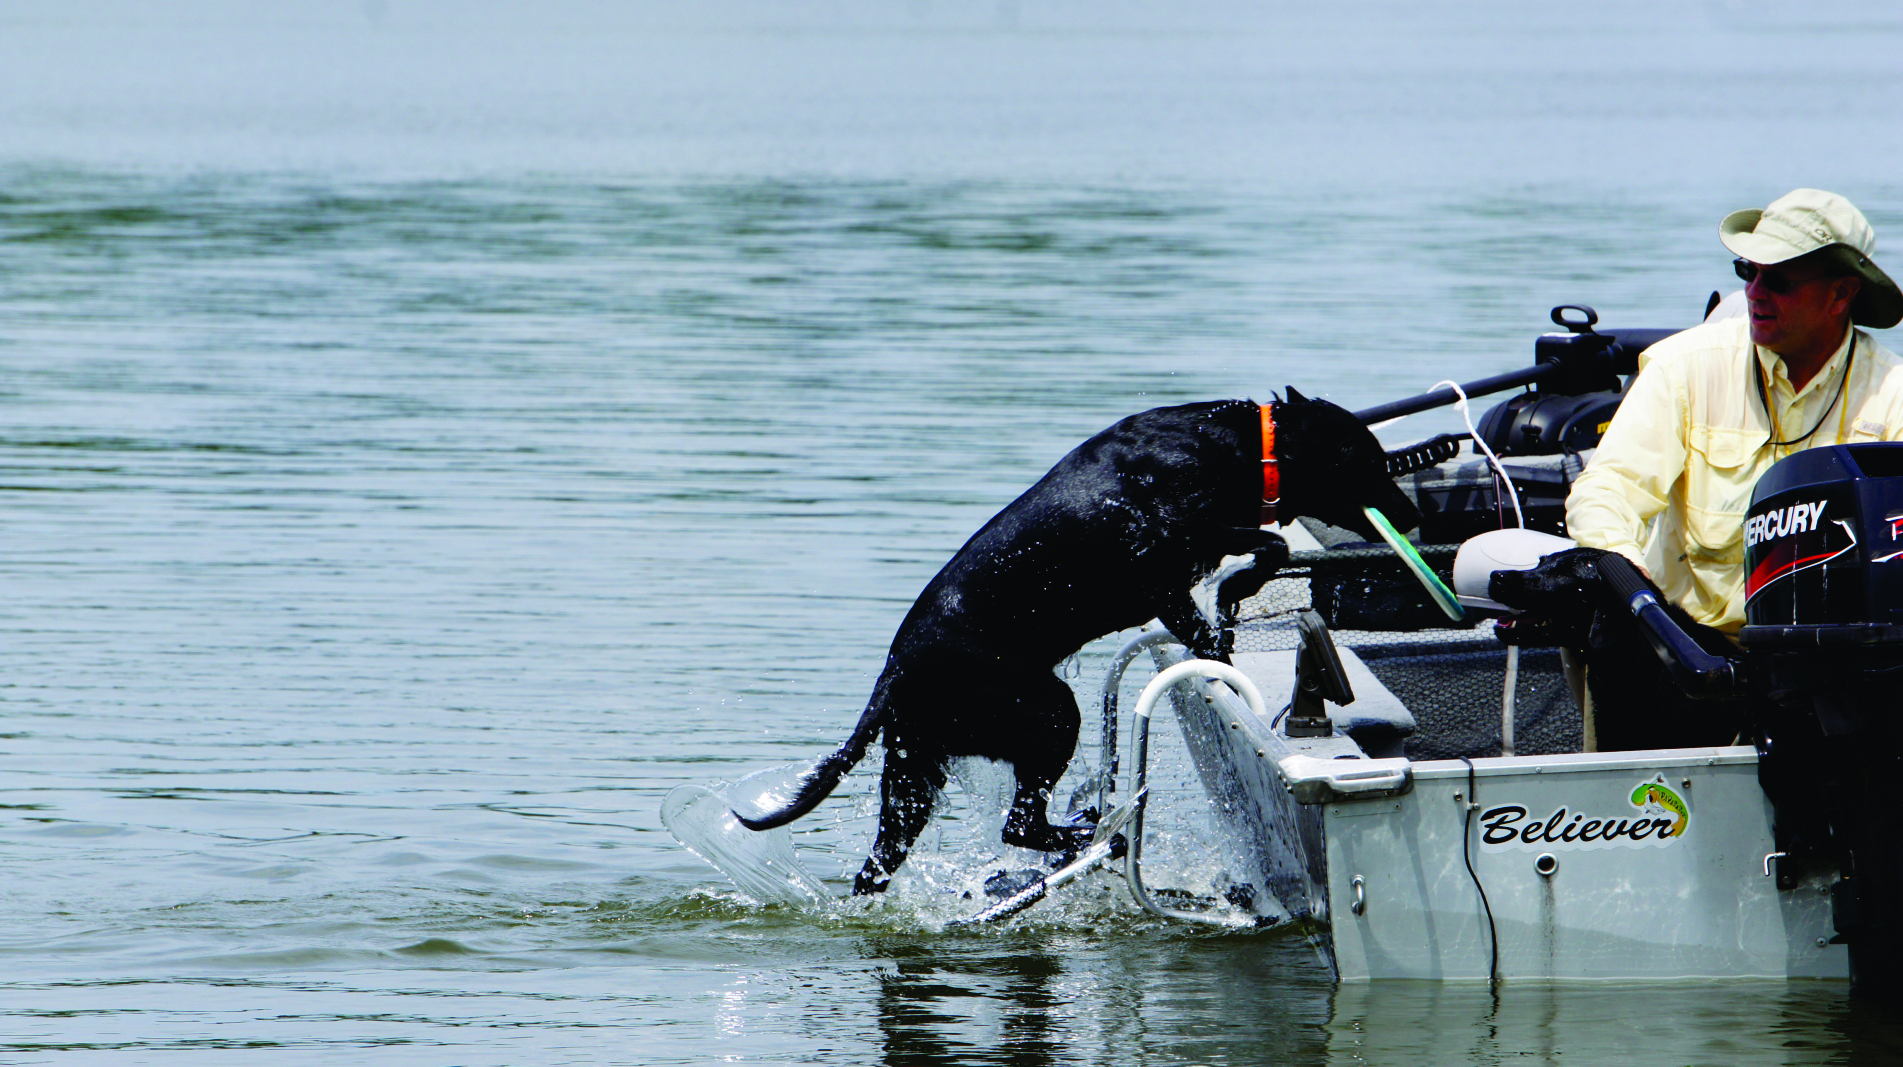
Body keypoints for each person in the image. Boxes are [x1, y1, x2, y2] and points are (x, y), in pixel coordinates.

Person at [1566, 189, 1903, 634]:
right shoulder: (1681, 368)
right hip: (1688, 647)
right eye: (1747, 270)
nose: (1752, 292)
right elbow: (1607, 489)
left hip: (1842, 657)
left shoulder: (1893, 393)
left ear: (1841, 293)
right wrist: (1627, 577)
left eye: (1778, 280)